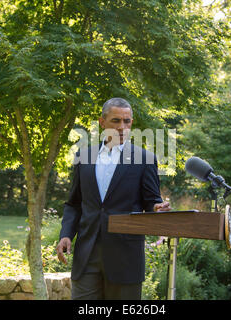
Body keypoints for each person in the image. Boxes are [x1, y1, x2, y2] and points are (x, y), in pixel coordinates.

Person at [56, 97, 171, 300]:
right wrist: (66, 234)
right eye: (116, 121)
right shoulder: (84, 157)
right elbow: (74, 204)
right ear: (102, 123)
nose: (122, 127)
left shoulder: (145, 160)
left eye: (127, 121)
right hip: (87, 255)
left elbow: (151, 201)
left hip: (125, 257)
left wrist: (157, 208)